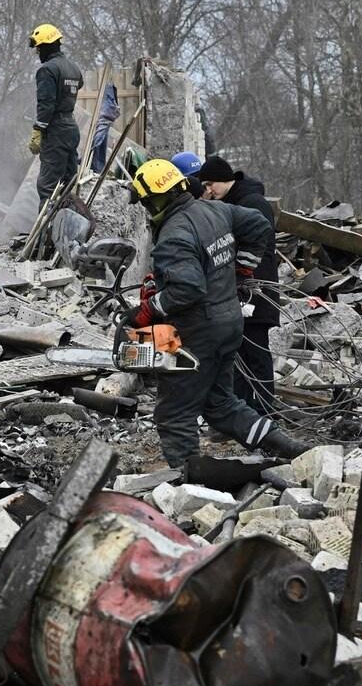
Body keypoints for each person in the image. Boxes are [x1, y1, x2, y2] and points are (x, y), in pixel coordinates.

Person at [126, 158, 309, 469]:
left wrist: (148, 310)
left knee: (175, 412)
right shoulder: (214, 209)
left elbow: (188, 289)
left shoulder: (174, 234)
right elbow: (259, 224)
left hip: (197, 332)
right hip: (229, 323)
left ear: (155, 199)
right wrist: (243, 266)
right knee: (221, 404)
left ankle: (187, 480)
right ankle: (289, 448)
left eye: (146, 201)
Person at [197, 155, 280, 415]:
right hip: (240, 291)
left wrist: (243, 276)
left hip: (256, 290)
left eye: (211, 184)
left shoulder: (252, 203)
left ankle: (266, 411)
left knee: (256, 353)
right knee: (239, 357)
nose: (208, 190)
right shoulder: (235, 202)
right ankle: (244, 413)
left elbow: (260, 246)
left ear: (224, 179)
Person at [27, 23, 83, 209]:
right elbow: (78, 85)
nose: (38, 53)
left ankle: (44, 233)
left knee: (48, 186)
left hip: (55, 130)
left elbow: (46, 104)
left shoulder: (47, 70)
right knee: (68, 183)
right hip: (71, 128)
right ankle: (68, 229)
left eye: (38, 49)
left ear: (46, 46)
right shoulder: (73, 68)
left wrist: (38, 129)